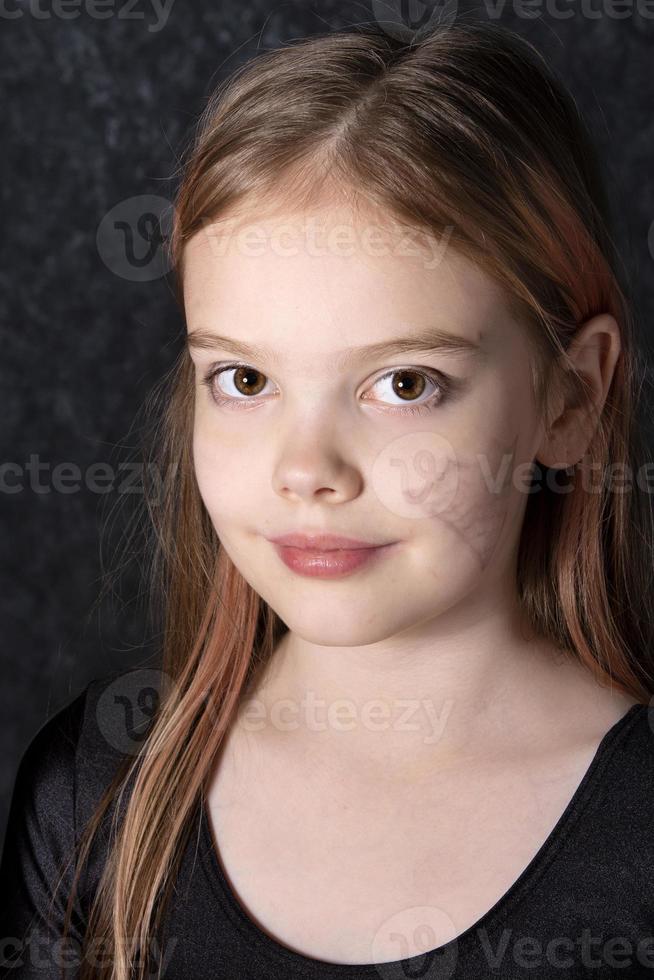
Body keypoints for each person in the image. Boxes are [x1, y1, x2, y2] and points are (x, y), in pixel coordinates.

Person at [2, 18, 654, 980]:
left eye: (404, 384)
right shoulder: (97, 800)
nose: (306, 469)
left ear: (572, 398)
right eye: (246, 381)